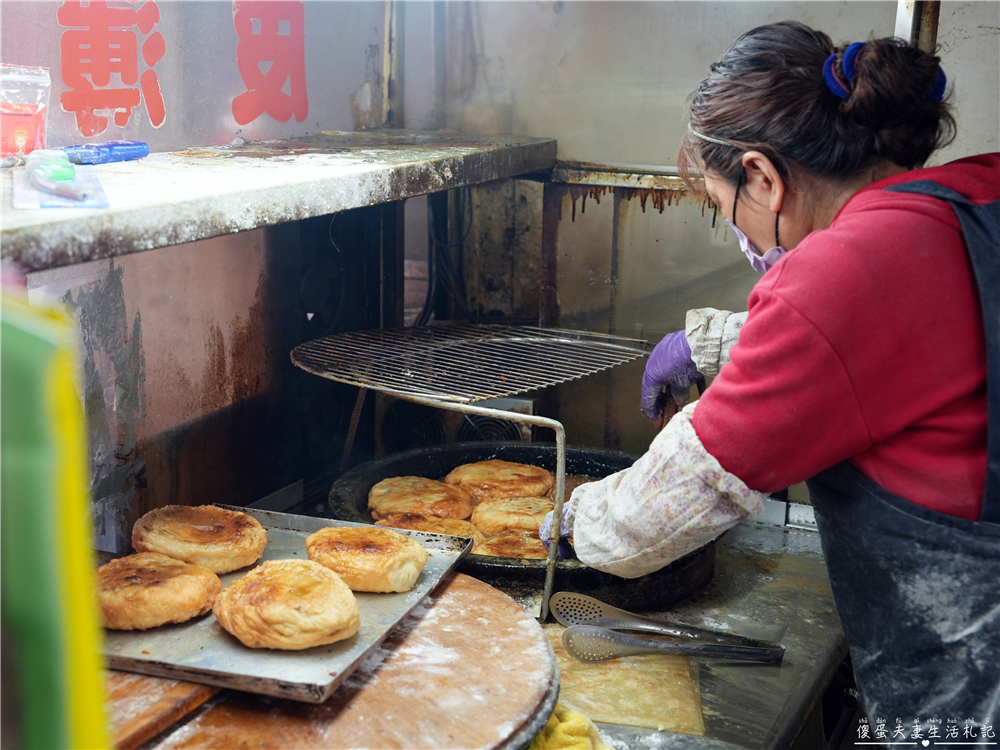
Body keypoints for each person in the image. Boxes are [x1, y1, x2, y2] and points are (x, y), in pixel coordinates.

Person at [541, 21, 999, 727]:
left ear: (762, 174)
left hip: (972, 672)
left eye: (727, 210)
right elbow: (905, 338)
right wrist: (717, 344)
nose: (742, 238)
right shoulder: (972, 195)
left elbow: (672, 501)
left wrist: (571, 523)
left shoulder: (841, 273)